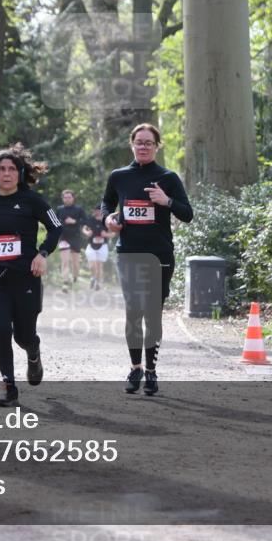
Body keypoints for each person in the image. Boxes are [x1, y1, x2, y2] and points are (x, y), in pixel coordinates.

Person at [0, 144, 63, 407]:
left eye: (11, 169)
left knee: (23, 336)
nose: (6, 174)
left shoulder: (33, 200)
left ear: (20, 173)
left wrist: (42, 254)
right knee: (0, 330)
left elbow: (55, 227)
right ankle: (9, 388)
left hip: (26, 277)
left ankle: (33, 351)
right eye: (1, 169)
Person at [101, 123, 193, 396]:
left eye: (148, 143)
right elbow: (106, 203)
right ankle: (135, 367)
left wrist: (166, 201)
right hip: (128, 253)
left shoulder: (168, 177)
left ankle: (151, 371)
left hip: (159, 255)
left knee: (152, 315)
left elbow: (187, 214)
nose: (143, 146)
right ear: (132, 145)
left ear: (156, 146)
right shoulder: (119, 176)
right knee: (133, 312)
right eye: (139, 142)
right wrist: (108, 218)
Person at [55, 189, 86, 292]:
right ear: (62, 199)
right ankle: (65, 283)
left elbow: (86, 220)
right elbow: (54, 222)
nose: (67, 199)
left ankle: (75, 279)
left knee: (75, 263)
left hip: (75, 238)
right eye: (65, 197)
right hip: (64, 238)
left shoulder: (79, 209)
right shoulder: (59, 209)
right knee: (65, 261)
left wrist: (75, 221)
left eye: (69, 197)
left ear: (73, 198)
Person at [81, 206, 111, 290]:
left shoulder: (107, 221)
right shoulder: (90, 220)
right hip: (91, 245)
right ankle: (93, 278)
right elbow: (84, 229)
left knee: (99, 265)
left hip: (103, 245)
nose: (96, 212)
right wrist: (87, 232)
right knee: (92, 266)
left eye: (98, 210)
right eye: (94, 210)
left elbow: (113, 233)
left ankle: (98, 283)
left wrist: (107, 235)